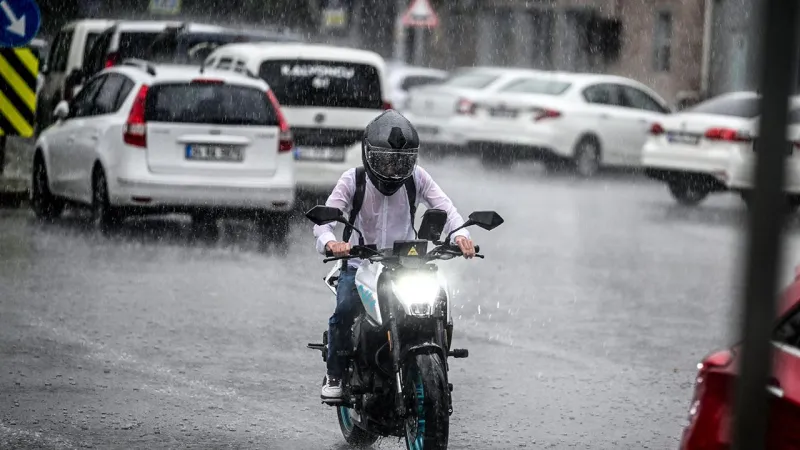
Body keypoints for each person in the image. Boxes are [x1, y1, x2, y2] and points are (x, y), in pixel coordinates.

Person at [313, 109, 476, 402]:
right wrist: (331, 242)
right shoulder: (352, 180)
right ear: (369, 156)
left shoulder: (417, 178)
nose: (393, 169)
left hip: (407, 265)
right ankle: (335, 374)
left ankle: (438, 361)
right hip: (362, 264)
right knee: (346, 309)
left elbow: (447, 209)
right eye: (386, 160)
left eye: (401, 161)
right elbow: (323, 223)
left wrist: (460, 236)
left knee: (437, 302)